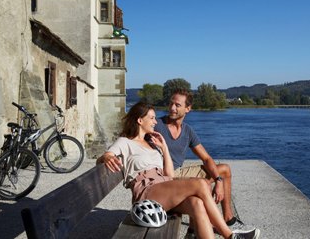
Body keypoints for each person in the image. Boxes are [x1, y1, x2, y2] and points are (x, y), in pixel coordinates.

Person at [98, 101, 259, 239]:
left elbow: (169, 175)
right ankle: (230, 236)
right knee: (201, 184)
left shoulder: (153, 144)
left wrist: (164, 147)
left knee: (196, 203)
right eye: (152, 118)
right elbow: (105, 156)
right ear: (140, 120)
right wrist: (106, 158)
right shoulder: (126, 141)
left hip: (164, 188)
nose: (155, 122)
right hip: (147, 194)